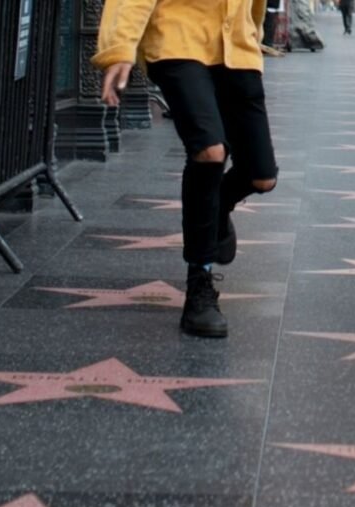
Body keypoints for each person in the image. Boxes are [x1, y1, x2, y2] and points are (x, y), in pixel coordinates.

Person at [94, 0, 278, 339]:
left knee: (262, 177)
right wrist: (120, 47)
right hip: (177, 41)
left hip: (237, 48)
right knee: (210, 152)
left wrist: (253, 32)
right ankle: (199, 283)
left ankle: (218, 208)